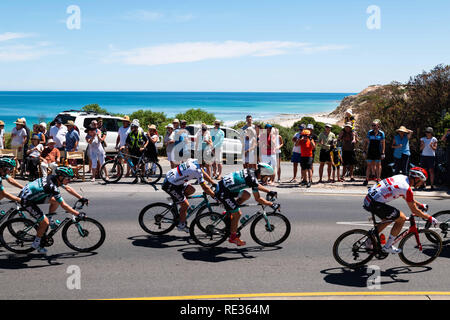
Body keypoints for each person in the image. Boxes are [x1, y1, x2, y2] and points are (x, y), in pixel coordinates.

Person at [363, 167, 439, 254]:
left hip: (369, 199)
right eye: (422, 181)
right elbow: (414, 211)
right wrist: (430, 218)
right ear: (417, 179)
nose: (422, 184)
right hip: (375, 203)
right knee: (401, 218)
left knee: (387, 219)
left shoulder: (401, 177)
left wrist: (420, 205)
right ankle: (388, 246)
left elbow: (405, 196)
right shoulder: (407, 189)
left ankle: (369, 241)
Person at [20, 167, 88, 254]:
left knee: (55, 201)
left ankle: (50, 219)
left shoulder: (54, 178)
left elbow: (68, 188)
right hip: (26, 201)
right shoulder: (52, 186)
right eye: (68, 178)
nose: (69, 180)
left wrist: (81, 198)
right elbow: (64, 205)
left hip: (31, 193)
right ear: (61, 177)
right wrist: (77, 214)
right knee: (44, 222)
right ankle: (36, 243)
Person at [214, 163, 279, 246]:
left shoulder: (251, 171)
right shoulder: (252, 180)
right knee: (237, 214)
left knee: (246, 195)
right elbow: (258, 199)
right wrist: (271, 204)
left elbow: (256, 185)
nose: (267, 179)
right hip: (223, 193)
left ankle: (229, 212)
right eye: (267, 176)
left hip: (224, 187)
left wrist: (269, 191)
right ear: (262, 174)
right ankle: (233, 238)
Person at [162, 159, 216, 232]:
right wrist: (214, 195)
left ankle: (178, 201)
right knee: (185, 205)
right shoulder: (196, 170)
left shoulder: (195, 161)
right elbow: (205, 188)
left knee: (191, 189)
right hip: (170, 185)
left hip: (174, 180)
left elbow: (202, 172)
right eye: (209, 163)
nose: (210, 165)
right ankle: (181, 225)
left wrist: (213, 183)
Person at [363, 119, 385, 186]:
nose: (373, 126)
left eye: (374, 125)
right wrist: (364, 151)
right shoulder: (369, 132)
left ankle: (378, 179)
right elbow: (366, 142)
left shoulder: (381, 133)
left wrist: (383, 152)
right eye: (372, 125)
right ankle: (366, 179)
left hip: (378, 151)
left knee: (378, 165)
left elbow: (383, 143)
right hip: (370, 151)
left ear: (378, 125)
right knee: (369, 165)